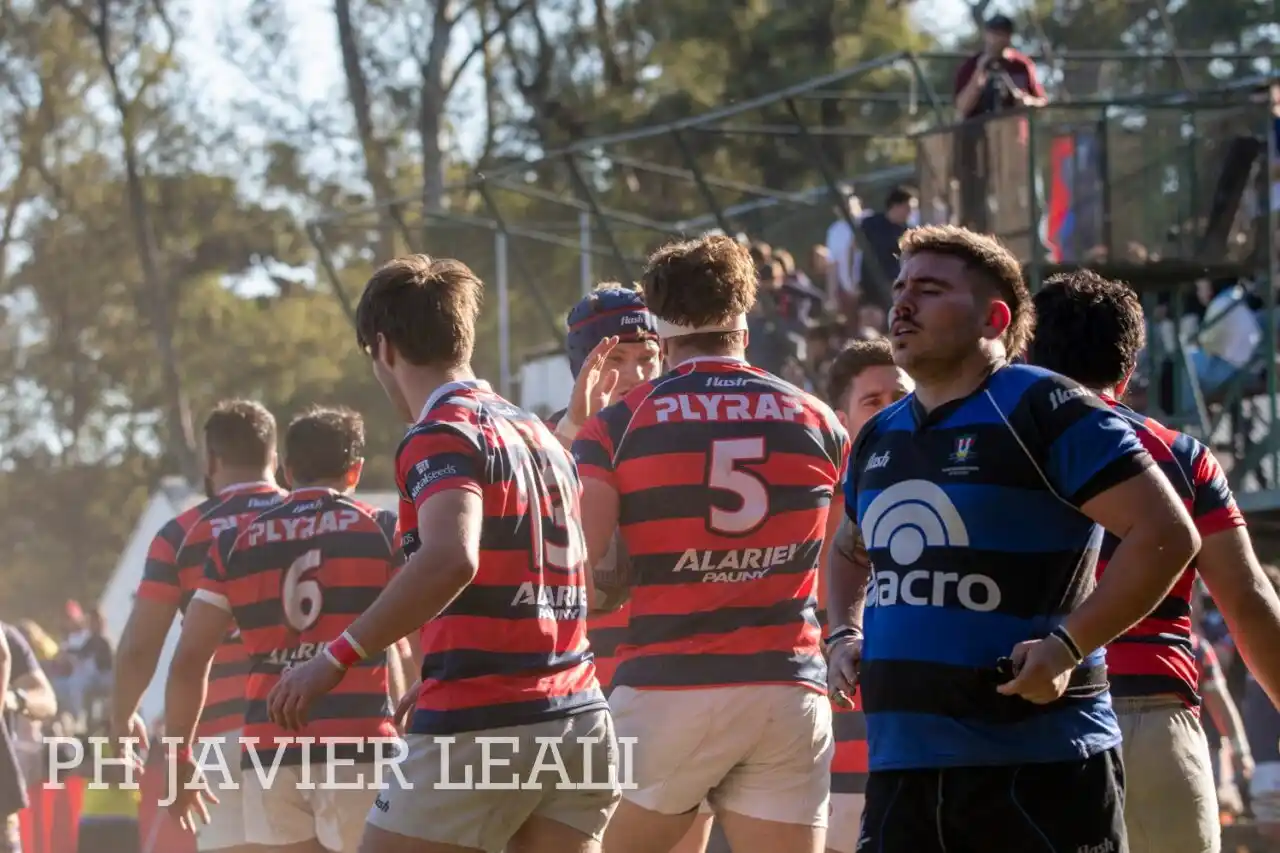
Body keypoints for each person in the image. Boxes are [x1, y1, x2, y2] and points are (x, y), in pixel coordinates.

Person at [828, 225, 1201, 853]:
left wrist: (1066, 647)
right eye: (899, 288)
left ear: (993, 318)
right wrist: (843, 631)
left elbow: (1165, 534)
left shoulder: (1046, 406)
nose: (903, 304)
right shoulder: (879, 433)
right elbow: (846, 549)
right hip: (901, 771)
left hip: (1041, 768)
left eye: (929, 289)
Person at [265, 254, 617, 853]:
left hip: (484, 720)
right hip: (579, 714)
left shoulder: (440, 432)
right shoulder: (540, 434)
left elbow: (452, 558)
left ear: (383, 349)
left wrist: (335, 658)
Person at [574, 234, 849, 853]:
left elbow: (579, 570)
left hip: (667, 687)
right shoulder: (820, 420)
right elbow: (840, 563)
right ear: (744, 321)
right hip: (788, 685)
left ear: (660, 330)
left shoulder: (618, 425)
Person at [1027, 268, 1280, 852]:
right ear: (1129, 368)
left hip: (1036, 717)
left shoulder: (1002, 447)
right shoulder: (1184, 456)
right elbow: (1247, 600)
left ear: (1027, 353)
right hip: (1157, 720)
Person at [166, 407, 400, 853]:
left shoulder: (234, 543)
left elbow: (189, 659)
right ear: (355, 471)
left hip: (269, 748)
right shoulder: (382, 529)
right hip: (358, 741)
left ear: (287, 471)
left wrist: (179, 753)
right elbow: (420, 637)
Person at [551, 284, 720, 853]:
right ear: (581, 365)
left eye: (647, 357)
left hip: (673, 686)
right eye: (614, 359)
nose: (633, 375)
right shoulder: (544, 443)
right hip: (577, 691)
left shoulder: (689, 435)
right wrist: (574, 435)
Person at [111, 399, 284, 853]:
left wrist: (122, 717)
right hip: (314, 728)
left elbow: (139, 648)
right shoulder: (315, 521)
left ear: (211, 460)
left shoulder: (182, 533)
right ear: (275, 456)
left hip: (222, 736)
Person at [819, 341, 912, 853]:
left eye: (900, 397)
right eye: (872, 401)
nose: (890, 411)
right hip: (844, 740)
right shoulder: (822, 501)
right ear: (842, 422)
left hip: (930, 737)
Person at [952, 15, 1046, 121]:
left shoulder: (1022, 65)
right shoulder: (970, 66)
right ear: (986, 35)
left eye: (1003, 34)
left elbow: (1042, 104)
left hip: (1012, 126)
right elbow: (961, 108)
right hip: (978, 127)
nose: (998, 39)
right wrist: (979, 72)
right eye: (994, 34)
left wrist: (1025, 101)